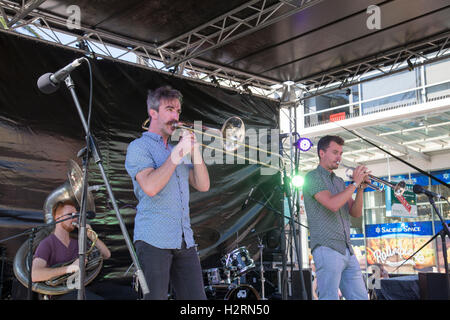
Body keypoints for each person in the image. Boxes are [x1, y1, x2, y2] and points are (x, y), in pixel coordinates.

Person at [125, 85, 210, 300]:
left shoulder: (177, 149)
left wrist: (195, 150)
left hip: (184, 238)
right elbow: (151, 187)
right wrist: (179, 152)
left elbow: (203, 185)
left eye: (178, 111)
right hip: (153, 238)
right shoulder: (139, 147)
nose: (176, 116)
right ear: (153, 113)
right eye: (170, 109)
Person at [302, 135, 369, 300]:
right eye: (335, 152)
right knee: (329, 297)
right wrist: (354, 183)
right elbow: (332, 204)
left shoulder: (339, 182)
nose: (339, 157)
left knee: (361, 297)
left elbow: (355, 213)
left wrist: (360, 188)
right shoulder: (312, 177)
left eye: (340, 153)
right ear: (321, 153)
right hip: (327, 247)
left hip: (347, 249)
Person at [31, 199, 111, 299]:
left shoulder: (77, 241)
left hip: (84, 286)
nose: (75, 219)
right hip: (61, 293)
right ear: (57, 217)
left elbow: (106, 255)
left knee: (128, 294)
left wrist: (91, 235)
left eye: (76, 216)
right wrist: (69, 269)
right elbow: (34, 275)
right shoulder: (47, 243)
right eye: (70, 215)